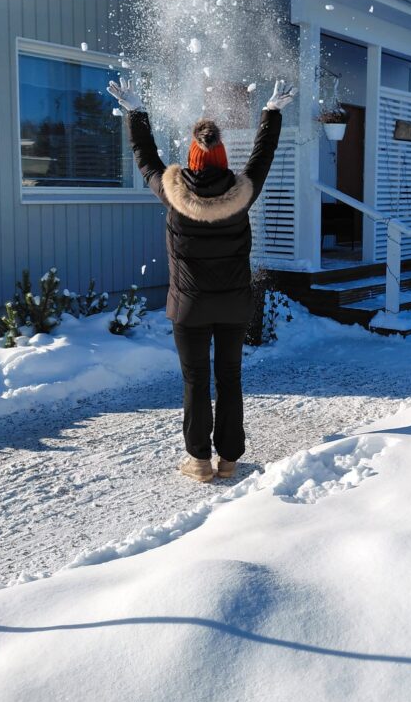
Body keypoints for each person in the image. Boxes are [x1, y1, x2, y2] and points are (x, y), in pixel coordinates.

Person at [107, 76, 296, 483]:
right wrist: (271, 112)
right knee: (229, 377)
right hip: (232, 307)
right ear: (223, 158)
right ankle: (229, 460)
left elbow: (145, 157)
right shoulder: (243, 192)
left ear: (192, 159)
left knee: (195, 380)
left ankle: (199, 462)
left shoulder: (173, 194)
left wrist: (136, 112)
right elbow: (264, 154)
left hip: (190, 309)